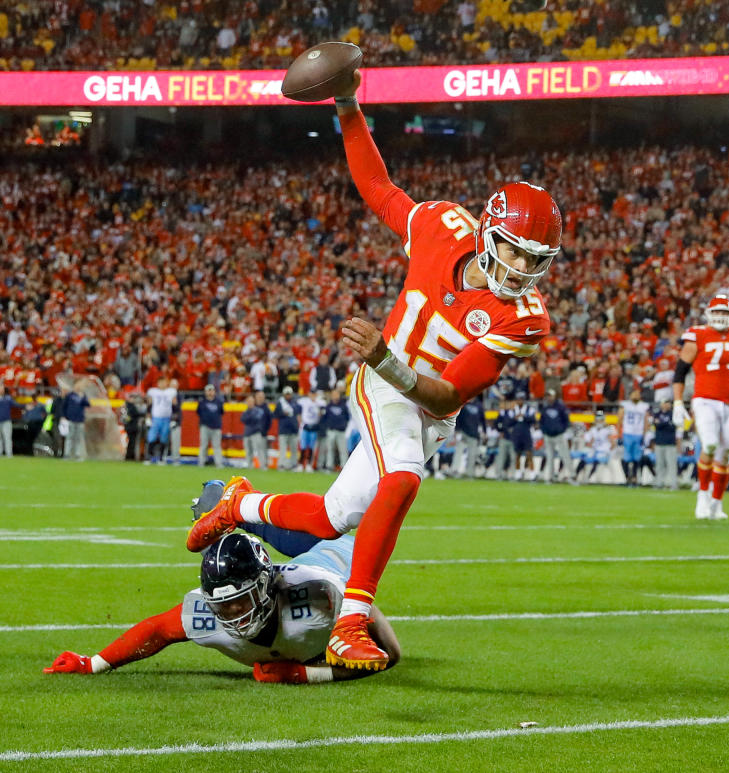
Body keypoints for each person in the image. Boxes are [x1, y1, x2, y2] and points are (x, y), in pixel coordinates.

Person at [187, 70, 562, 670]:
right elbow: (379, 186)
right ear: (490, 232)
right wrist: (347, 103)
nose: (520, 267)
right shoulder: (443, 229)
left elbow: (446, 396)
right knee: (405, 475)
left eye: (534, 259)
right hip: (383, 382)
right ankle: (352, 621)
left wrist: (385, 354)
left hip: (420, 395)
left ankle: (240, 506)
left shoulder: (526, 318)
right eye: (514, 250)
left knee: (334, 517)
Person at [46, 516, 398, 684]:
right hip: (284, 574)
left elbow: (390, 655)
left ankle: (248, 513)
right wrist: (92, 663)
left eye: (240, 601)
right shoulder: (207, 612)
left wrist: (304, 674)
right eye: (223, 605)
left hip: (336, 561)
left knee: (329, 532)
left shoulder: (320, 595)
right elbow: (158, 630)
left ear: (265, 589)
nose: (232, 613)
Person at [673, 295, 729, 521]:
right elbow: (680, 371)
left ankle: (717, 503)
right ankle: (702, 496)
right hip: (705, 399)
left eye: (725, 312)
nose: (721, 316)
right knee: (710, 444)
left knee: (726, 455)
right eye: (718, 312)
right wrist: (677, 401)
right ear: (709, 314)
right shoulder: (697, 335)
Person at [618, 387, 650, 486]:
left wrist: (645, 434)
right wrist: (620, 433)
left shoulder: (643, 406)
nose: (636, 395)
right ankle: (627, 477)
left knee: (637, 457)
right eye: (634, 393)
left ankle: (635, 477)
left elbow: (646, 420)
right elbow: (619, 419)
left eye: (638, 394)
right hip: (627, 433)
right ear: (630, 395)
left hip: (638, 434)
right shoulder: (625, 405)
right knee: (627, 457)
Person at [540, 387, 571, 482]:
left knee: (565, 456)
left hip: (559, 435)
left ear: (554, 396)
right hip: (548, 436)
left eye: (551, 396)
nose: (549, 398)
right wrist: (544, 431)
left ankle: (571, 476)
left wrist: (562, 430)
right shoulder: (545, 408)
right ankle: (551, 477)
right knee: (550, 457)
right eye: (548, 396)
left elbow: (566, 420)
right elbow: (541, 421)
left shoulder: (561, 407)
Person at [146, 377, 177, 464]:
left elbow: (174, 406)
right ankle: (149, 457)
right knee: (151, 438)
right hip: (156, 418)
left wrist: (174, 419)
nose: (162, 384)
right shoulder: (153, 391)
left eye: (164, 382)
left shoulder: (171, 392)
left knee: (164, 439)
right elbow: (149, 405)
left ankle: (161, 458)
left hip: (166, 418)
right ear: (158, 383)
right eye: (161, 382)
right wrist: (148, 418)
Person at [578, 411, 615, 483]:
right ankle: (576, 476)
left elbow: (613, 443)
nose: (598, 422)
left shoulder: (607, 430)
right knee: (584, 459)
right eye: (597, 420)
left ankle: (588, 478)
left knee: (596, 461)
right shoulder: (593, 430)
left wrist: (608, 452)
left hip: (603, 452)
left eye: (600, 420)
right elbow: (591, 442)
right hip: (595, 451)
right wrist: (588, 449)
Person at [651, 399, 679, 489]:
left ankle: (673, 484)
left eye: (669, 403)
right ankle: (659, 483)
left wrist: (661, 424)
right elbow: (656, 425)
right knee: (659, 465)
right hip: (659, 442)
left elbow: (672, 426)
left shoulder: (673, 414)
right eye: (666, 403)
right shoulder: (657, 413)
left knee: (671, 465)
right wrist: (666, 424)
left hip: (670, 443)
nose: (667, 405)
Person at [321, 387, 350, 471]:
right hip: (331, 431)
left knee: (343, 450)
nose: (335, 396)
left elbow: (347, 417)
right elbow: (325, 418)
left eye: (337, 394)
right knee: (330, 449)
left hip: (341, 431)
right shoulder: (329, 406)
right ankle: (329, 466)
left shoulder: (343, 405)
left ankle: (344, 467)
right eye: (333, 394)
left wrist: (343, 426)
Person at [455, 397, 485, 478]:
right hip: (463, 432)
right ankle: (455, 471)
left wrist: (484, 431)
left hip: (474, 434)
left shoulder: (479, 405)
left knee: (472, 455)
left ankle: (470, 473)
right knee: (458, 452)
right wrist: (457, 430)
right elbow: (458, 417)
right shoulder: (464, 402)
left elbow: (483, 420)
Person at [297, 390, 326, 472]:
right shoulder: (304, 401)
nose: (312, 395)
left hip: (314, 426)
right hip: (305, 426)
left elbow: (324, 405)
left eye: (314, 394)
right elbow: (297, 406)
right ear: (309, 394)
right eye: (311, 394)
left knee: (311, 447)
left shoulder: (319, 402)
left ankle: (309, 464)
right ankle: (300, 464)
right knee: (303, 446)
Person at [241, 391, 271, 470]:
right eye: (248, 401)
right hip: (247, 433)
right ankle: (249, 465)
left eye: (251, 401)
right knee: (248, 451)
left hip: (255, 433)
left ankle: (263, 466)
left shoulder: (258, 410)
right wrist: (251, 418)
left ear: (254, 402)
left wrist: (250, 418)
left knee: (259, 450)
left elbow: (255, 419)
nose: (250, 403)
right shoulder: (246, 411)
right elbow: (243, 419)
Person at [197, 383, 225, 467]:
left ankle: (218, 463)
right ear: (205, 392)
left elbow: (221, 412)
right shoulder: (202, 402)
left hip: (216, 427)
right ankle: (201, 462)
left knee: (217, 446)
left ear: (214, 391)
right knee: (203, 445)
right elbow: (199, 412)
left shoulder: (219, 402)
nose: (210, 392)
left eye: (211, 390)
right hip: (205, 426)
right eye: (208, 391)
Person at [62, 382, 89, 461]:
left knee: (79, 438)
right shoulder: (70, 395)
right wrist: (64, 416)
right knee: (70, 437)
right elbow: (64, 406)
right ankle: (67, 454)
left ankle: (78, 455)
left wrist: (83, 397)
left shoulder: (82, 395)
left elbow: (87, 404)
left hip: (80, 420)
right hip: (71, 419)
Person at [276, 387, 299, 471]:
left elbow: (298, 412)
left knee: (294, 449)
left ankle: (294, 465)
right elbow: (275, 414)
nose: (288, 396)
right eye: (287, 394)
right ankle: (281, 465)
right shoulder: (280, 403)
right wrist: (282, 413)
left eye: (289, 394)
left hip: (293, 429)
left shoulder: (295, 402)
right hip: (283, 429)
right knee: (283, 449)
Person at [0, 383, 13, 457]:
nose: (1, 390)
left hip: (6, 421)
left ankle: (9, 454)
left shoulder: (8, 398)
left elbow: (16, 404)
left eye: (2, 389)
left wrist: (25, 406)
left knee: (7, 438)